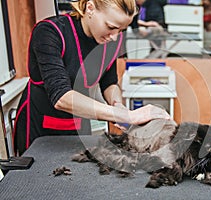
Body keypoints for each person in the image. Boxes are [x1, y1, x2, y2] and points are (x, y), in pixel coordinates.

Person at [13, 0, 170, 155]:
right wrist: (127, 116)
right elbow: (61, 97)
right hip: (40, 126)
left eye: (121, 30)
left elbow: (109, 82)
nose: (115, 37)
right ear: (90, 8)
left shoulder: (111, 38)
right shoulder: (49, 32)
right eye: (111, 27)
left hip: (80, 122)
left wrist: (117, 105)